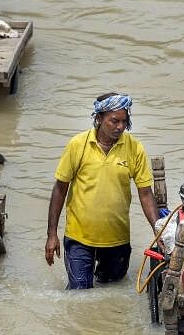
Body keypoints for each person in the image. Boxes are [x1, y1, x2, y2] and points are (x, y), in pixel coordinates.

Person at [45, 93, 160, 289]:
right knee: (79, 291)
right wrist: (52, 234)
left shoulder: (134, 148)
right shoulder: (78, 145)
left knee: (111, 289)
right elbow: (60, 189)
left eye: (125, 121)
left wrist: (158, 231)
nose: (120, 127)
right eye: (114, 121)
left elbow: (146, 194)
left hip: (117, 238)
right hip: (79, 237)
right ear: (99, 118)